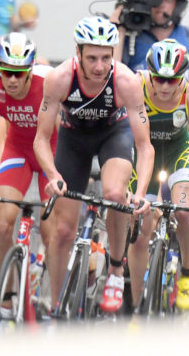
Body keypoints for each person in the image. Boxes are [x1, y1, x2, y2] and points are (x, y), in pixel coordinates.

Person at [34, 16, 153, 314]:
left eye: (105, 57)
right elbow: (41, 138)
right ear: (78, 54)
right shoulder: (59, 79)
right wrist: (53, 175)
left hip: (114, 135)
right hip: (74, 139)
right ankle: (56, 304)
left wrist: (139, 193)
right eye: (92, 58)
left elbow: (144, 146)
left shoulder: (126, 81)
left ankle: (115, 269)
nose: (100, 66)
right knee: (62, 230)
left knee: (114, 194)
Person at [0, 32, 54, 314]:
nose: (13, 80)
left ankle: (51, 294)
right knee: (3, 223)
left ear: (30, 69)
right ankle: (5, 295)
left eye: (19, 73)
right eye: (7, 72)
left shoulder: (50, 81)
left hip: (53, 150)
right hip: (18, 149)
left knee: (52, 231)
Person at [126, 39, 189, 311]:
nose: (165, 87)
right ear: (149, 74)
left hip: (179, 149)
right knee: (141, 228)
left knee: (186, 212)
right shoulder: (136, 85)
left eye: (172, 80)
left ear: (183, 77)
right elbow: (127, 137)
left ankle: (188, 273)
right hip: (144, 152)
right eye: (159, 80)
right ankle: (136, 303)